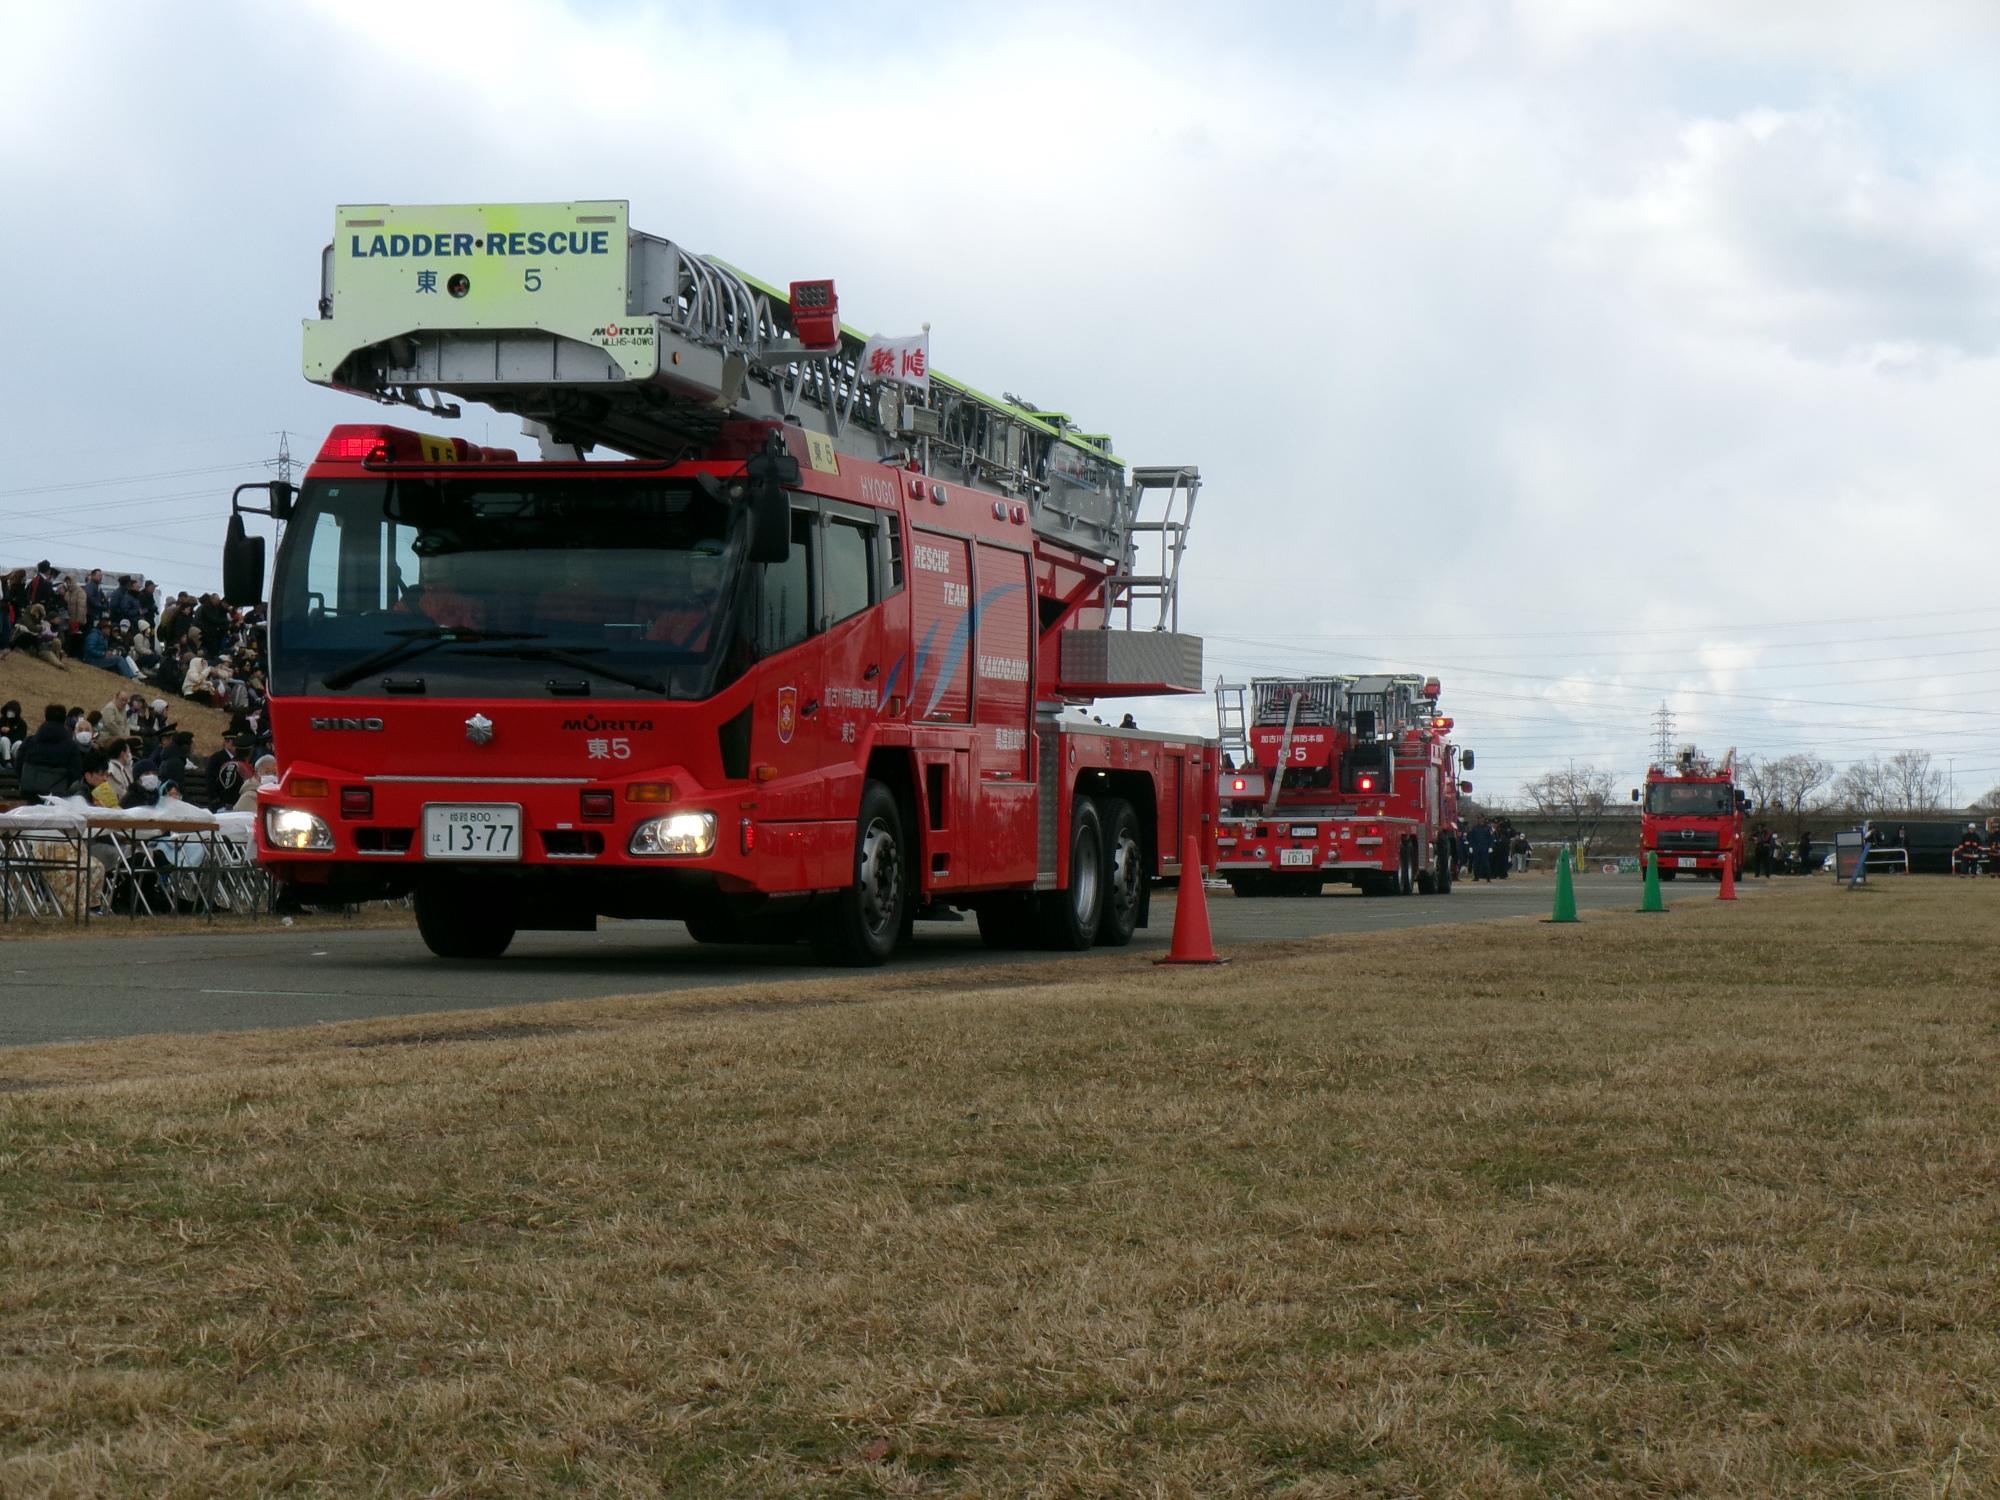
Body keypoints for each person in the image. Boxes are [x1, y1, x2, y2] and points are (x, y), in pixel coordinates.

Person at [16, 704, 83, 800]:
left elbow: (18, 763)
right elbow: (75, 771)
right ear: (64, 719)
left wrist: (24, 780)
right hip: (57, 794)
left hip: (29, 790)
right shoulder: (71, 746)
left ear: (45, 717)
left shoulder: (30, 741)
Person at [0, 699, 26, 766]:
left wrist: (10, 731)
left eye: (12, 711)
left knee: (19, 743)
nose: (9, 712)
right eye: (8, 710)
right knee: (4, 739)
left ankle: (16, 762)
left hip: (14, 745)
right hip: (3, 746)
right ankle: (7, 761)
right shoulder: (2, 720)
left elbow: (22, 737)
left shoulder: (21, 723)